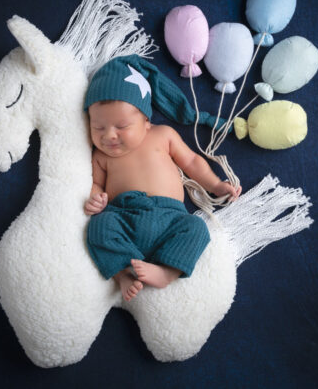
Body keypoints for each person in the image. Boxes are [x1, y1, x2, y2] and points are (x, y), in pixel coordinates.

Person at [83, 55, 241, 302]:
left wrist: (216, 185)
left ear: (146, 121)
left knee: (197, 227)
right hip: (124, 216)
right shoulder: (100, 155)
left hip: (171, 218)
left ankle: (166, 272)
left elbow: (191, 162)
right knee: (99, 227)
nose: (109, 136)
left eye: (121, 126)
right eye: (98, 128)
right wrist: (96, 199)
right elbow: (96, 184)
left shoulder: (163, 135)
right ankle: (124, 274)